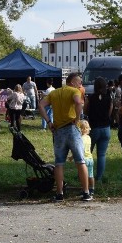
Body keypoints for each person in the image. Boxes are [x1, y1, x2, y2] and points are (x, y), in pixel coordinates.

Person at [38, 72, 92, 201]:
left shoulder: (54, 93)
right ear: (72, 82)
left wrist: (48, 122)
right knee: (80, 161)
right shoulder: (75, 91)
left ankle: (59, 193)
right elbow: (79, 103)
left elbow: (40, 105)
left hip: (58, 130)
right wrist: (78, 118)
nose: (80, 85)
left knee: (59, 163)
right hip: (72, 128)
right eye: (79, 82)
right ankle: (86, 192)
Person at [84, 77, 112, 183]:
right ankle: (99, 178)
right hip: (106, 128)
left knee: (88, 152)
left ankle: (87, 175)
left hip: (94, 128)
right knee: (101, 154)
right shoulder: (109, 98)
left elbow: (85, 111)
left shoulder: (90, 98)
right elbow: (110, 112)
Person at [78, 120, 96, 195]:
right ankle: (92, 188)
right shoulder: (89, 137)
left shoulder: (80, 139)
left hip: (84, 159)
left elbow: (79, 150)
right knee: (90, 175)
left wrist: (72, 157)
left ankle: (85, 189)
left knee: (83, 176)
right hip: (90, 159)